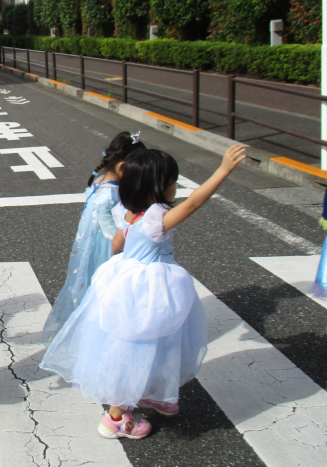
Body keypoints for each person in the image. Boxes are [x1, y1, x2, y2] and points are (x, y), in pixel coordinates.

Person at [40, 145, 246, 440]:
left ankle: (157, 392)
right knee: (137, 347)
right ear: (158, 188)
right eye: (173, 182)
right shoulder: (155, 218)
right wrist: (223, 169)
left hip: (125, 277)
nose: (176, 187)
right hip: (149, 286)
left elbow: (117, 244)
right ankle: (115, 418)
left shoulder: (127, 211)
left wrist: (114, 268)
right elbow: (193, 204)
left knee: (152, 341)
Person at [42, 131, 145, 345]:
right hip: (105, 251)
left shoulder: (99, 181)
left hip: (90, 247)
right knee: (108, 294)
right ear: (123, 168)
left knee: (90, 289)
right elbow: (113, 233)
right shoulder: (112, 195)